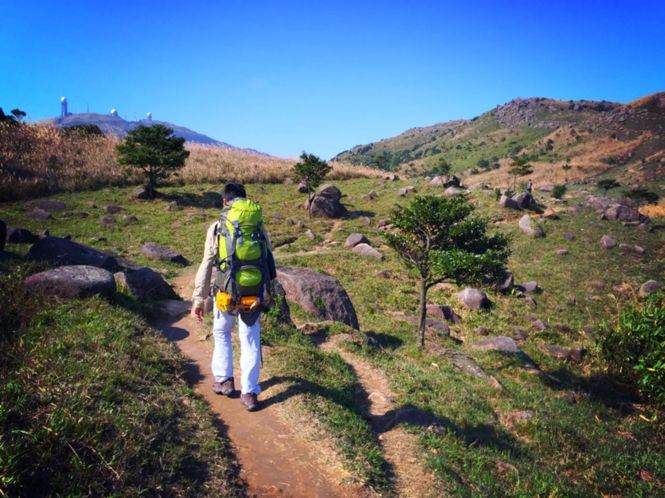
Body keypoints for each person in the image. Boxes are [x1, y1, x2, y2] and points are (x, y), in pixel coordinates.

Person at [191, 182, 275, 411]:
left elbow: (207, 262)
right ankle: (249, 393)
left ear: (225, 201)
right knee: (249, 339)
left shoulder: (218, 226)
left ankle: (225, 381)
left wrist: (199, 299)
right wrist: (269, 290)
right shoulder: (257, 224)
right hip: (253, 292)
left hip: (225, 292)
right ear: (245, 200)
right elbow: (268, 258)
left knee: (221, 332)